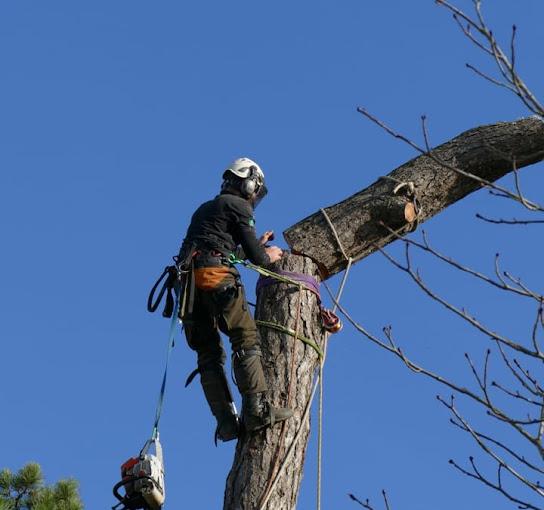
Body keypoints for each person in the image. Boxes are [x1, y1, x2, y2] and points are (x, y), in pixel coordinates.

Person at [179, 157, 293, 442]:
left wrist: (256, 248)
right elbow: (257, 258)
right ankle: (256, 410)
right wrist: (272, 261)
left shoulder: (205, 209)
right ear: (250, 183)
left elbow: (219, 248)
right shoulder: (239, 206)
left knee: (208, 353)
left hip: (189, 288)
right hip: (216, 277)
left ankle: (227, 422)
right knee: (245, 336)